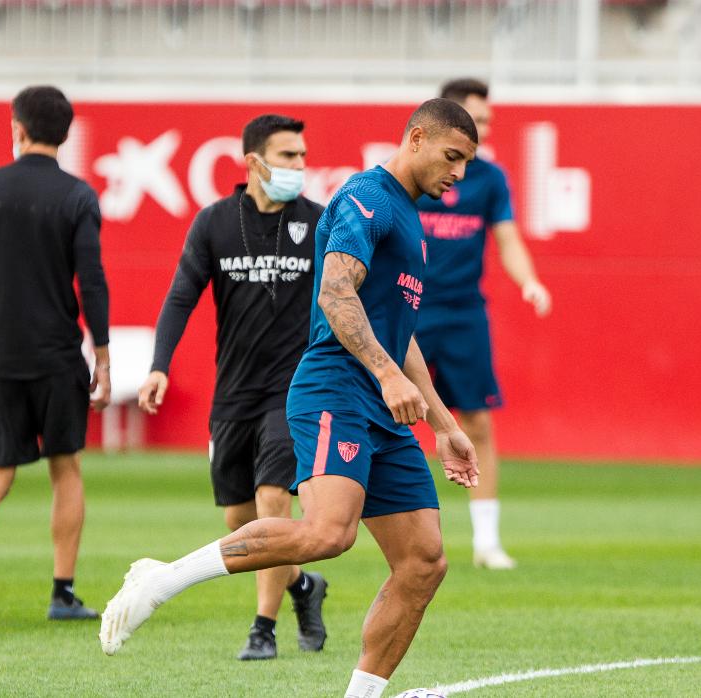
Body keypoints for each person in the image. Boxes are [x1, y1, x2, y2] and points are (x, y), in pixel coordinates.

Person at [100, 98, 481, 698]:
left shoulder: (411, 219)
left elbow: (400, 339)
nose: (459, 173)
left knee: (425, 561)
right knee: (329, 533)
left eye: (467, 162)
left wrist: (444, 423)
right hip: (336, 385)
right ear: (415, 139)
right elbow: (334, 294)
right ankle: (161, 578)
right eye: (452, 156)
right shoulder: (367, 197)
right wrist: (385, 375)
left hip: (380, 402)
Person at [137, 114, 329, 661]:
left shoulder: (318, 223)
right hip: (234, 394)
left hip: (292, 391)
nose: (300, 166)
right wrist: (159, 365)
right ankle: (301, 585)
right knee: (238, 518)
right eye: (289, 156)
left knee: (273, 503)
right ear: (254, 162)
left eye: (302, 156)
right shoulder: (215, 223)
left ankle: (262, 628)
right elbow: (180, 297)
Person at [0, 85, 110, 624]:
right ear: (64, 132)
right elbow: (92, 281)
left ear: (17, 128)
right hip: (58, 356)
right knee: (66, 468)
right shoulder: (78, 197)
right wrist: (102, 354)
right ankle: (62, 592)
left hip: (0, 358)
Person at [414, 78, 552, 570]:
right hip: (408, 310)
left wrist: (529, 281)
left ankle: (486, 542)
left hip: (463, 314)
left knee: (476, 423)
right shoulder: (414, 173)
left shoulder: (490, 179)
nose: (488, 127)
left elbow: (508, 239)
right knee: (379, 413)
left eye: (490, 119)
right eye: (479, 118)